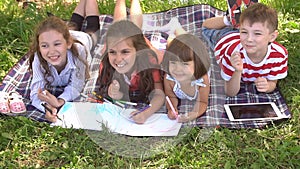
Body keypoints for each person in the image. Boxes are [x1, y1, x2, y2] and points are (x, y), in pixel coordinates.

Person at [202, 3, 288, 96]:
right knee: (205, 29)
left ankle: (238, 21)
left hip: (238, 36)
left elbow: (273, 82)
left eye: (257, 34)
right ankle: (230, 19)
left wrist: (267, 86)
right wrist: (237, 71)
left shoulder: (279, 55)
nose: (249, 39)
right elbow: (230, 92)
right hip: (226, 39)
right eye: (244, 32)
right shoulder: (232, 54)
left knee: (245, 27)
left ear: (272, 37)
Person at [96, 19, 165, 124]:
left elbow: (159, 94)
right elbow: (108, 95)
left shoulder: (150, 62)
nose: (118, 59)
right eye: (112, 52)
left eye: (125, 52)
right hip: (129, 43)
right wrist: (117, 95)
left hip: (154, 51)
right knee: (119, 23)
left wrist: (146, 113)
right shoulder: (106, 65)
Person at [28, 16, 90, 123]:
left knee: (92, 28)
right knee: (72, 25)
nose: (51, 51)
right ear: (39, 47)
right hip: (65, 35)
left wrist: (60, 101)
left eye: (57, 44)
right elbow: (35, 93)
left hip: (84, 38)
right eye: (44, 46)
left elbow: (77, 85)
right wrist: (47, 108)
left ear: (68, 44)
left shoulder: (79, 51)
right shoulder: (38, 57)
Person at [161, 34, 211, 122]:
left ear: (197, 63)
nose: (178, 69)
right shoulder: (169, 79)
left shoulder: (202, 80)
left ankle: (175, 31)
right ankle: (172, 35)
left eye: (185, 64)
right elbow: (170, 96)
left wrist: (194, 113)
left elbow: (203, 102)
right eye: (173, 63)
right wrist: (171, 109)